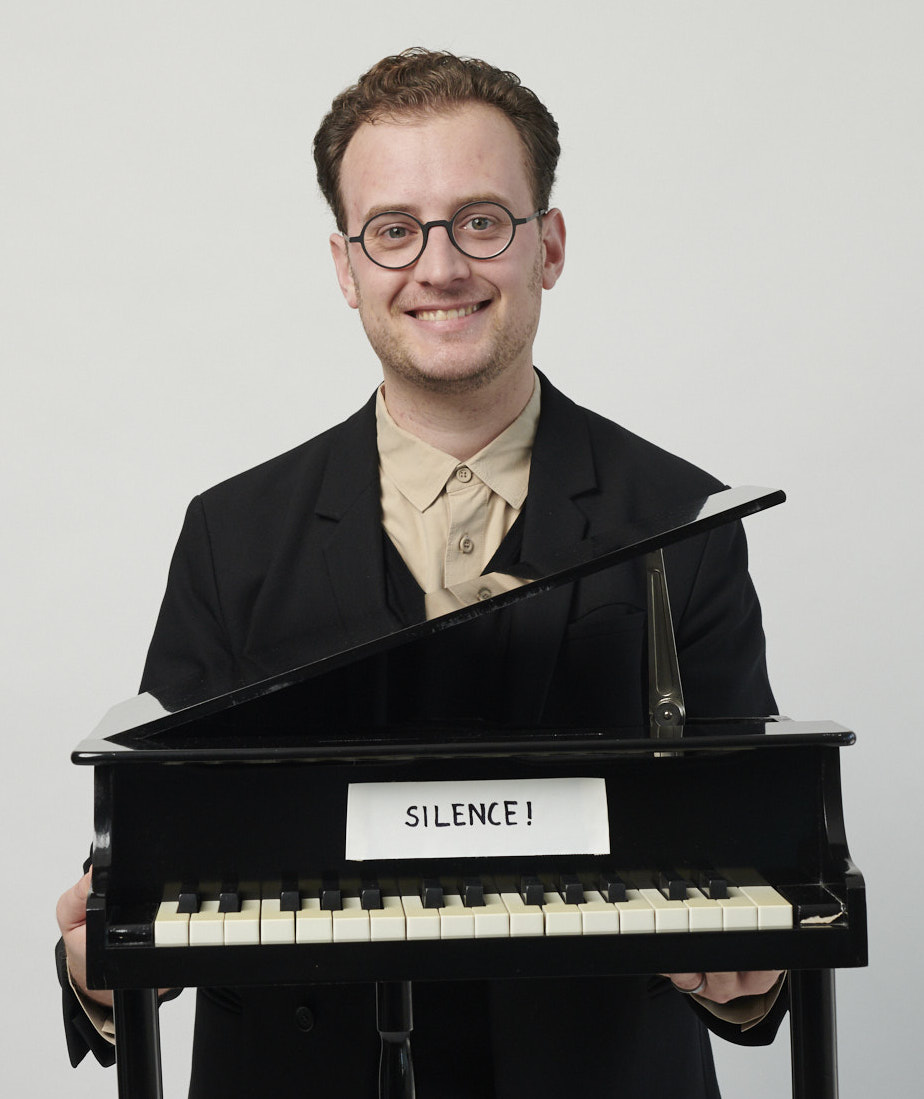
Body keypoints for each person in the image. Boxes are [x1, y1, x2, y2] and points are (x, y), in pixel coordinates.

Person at [57, 48, 787, 1098]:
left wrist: (751, 975)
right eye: (394, 230)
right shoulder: (231, 535)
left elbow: (750, 862)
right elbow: (159, 862)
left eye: (480, 220)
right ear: (346, 267)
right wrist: (98, 969)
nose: (439, 267)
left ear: (549, 246)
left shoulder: (687, 521)